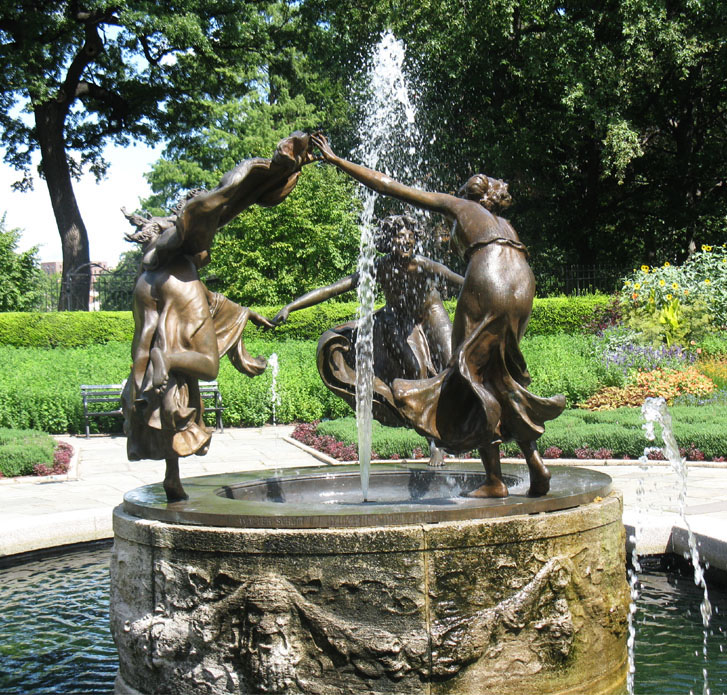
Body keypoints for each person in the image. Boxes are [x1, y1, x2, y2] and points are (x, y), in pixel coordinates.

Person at [310, 133, 565, 497]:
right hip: (522, 281)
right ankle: (535, 465)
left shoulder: (460, 206)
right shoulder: (503, 223)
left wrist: (337, 161)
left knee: (468, 377)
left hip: (489, 274)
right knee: (500, 375)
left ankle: (494, 481)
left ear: (467, 196)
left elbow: (389, 186)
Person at [122, 132, 316, 501]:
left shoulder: (154, 276)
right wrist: (270, 170)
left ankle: (172, 477)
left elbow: (149, 328)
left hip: (182, 302)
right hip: (185, 309)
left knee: (178, 395)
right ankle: (172, 358)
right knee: (206, 367)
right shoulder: (176, 250)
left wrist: (246, 314)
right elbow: (223, 202)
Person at [273, 214, 463, 466]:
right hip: (396, 317)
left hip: (430, 313)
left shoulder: (423, 265)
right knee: (415, 370)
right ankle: (433, 442)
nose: (405, 243)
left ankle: (465, 425)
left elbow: (463, 281)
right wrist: (291, 306)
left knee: (453, 362)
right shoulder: (379, 266)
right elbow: (335, 288)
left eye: (409, 239)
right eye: (398, 238)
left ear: (415, 241)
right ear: (389, 241)